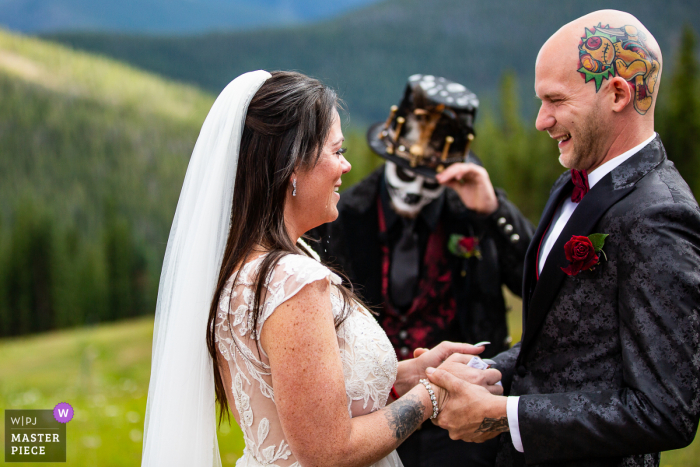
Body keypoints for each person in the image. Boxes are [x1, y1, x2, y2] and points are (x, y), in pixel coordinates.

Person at [141, 70, 502, 467]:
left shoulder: (247, 265)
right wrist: (434, 393)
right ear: (293, 165)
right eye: (337, 151)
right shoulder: (292, 280)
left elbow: (301, 389)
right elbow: (329, 452)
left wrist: (409, 372)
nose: (346, 167)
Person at [426, 9, 700, 467]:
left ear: (616, 93)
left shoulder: (661, 215)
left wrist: (504, 415)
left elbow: (666, 410)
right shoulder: (572, 180)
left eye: (554, 100)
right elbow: (562, 346)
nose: (540, 120)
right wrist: (485, 372)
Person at [308, 74, 533, 467]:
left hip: (465, 422)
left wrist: (493, 211)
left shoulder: (472, 212)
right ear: (388, 157)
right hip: (374, 415)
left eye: (428, 179)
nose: (414, 189)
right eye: (405, 173)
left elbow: (537, 282)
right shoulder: (341, 215)